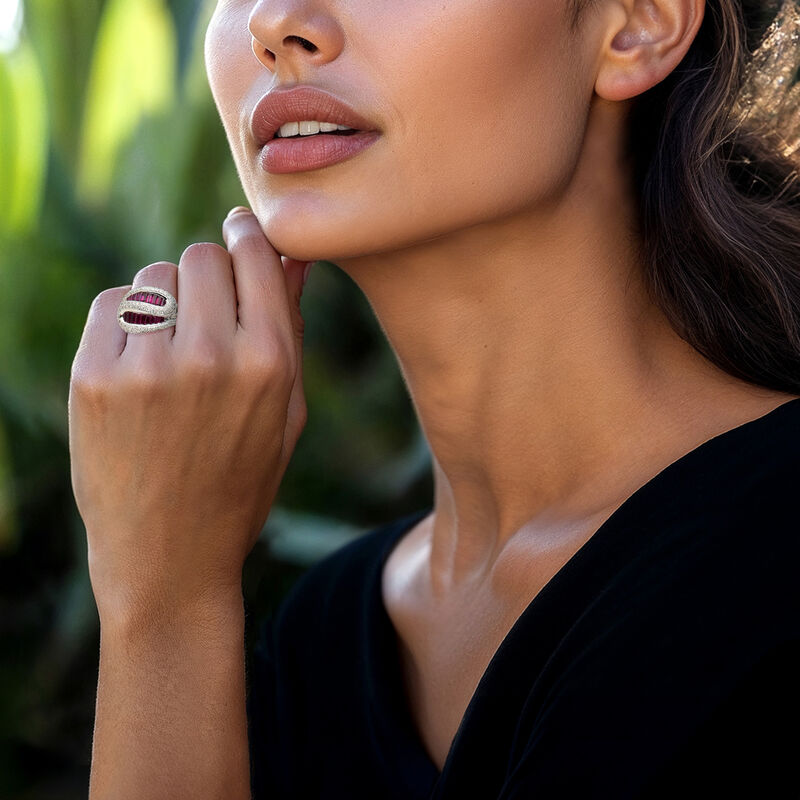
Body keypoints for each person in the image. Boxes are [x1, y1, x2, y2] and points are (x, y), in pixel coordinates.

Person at [68, 0, 800, 796]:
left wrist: (169, 618)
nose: (276, 21)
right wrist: (163, 603)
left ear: (639, 23)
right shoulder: (311, 650)